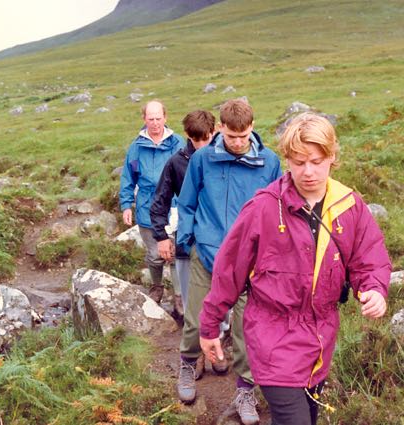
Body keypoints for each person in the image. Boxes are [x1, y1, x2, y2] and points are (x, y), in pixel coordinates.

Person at [199, 113, 391, 425]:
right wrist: (209, 327)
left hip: (320, 340)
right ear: (287, 160)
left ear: (331, 157)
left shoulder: (349, 205)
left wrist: (374, 289)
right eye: (298, 162)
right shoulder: (264, 207)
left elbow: (370, 258)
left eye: (316, 161)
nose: (308, 171)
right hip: (272, 336)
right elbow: (229, 271)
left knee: (308, 418)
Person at [176, 98, 282, 424]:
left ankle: (245, 389)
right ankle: (188, 362)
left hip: (250, 263)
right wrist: (187, 240)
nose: (238, 143)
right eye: (232, 136)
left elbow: (276, 210)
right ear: (220, 128)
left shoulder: (270, 163)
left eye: (244, 135)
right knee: (195, 319)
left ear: (252, 127)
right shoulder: (203, 159)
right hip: (207, 255)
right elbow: (188, 203)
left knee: (246, 330)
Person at [150, 109, 215, 317]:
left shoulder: (225, 158)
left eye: (206, 139)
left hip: (219, 237)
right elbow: (160, 200)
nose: (202, 145)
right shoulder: (176, 163)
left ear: (214, 132)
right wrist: (161, 236)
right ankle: (194, 334)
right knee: (190, 297)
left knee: (220, 294)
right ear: (187, 135)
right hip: (188, 238)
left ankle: (222, 333)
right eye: (196, 140)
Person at [120, 100, 185, 303]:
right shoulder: (136, 147)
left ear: (165, 117)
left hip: (175, 207)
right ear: (144, 119)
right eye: (151, 119)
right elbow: (128, 177)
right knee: (155, 254)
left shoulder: (179, 143)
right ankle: (157, 287)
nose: (155, 123)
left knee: (176, 255)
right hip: (147, 207)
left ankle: (179, 295)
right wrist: (126, 205)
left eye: (158, 118)